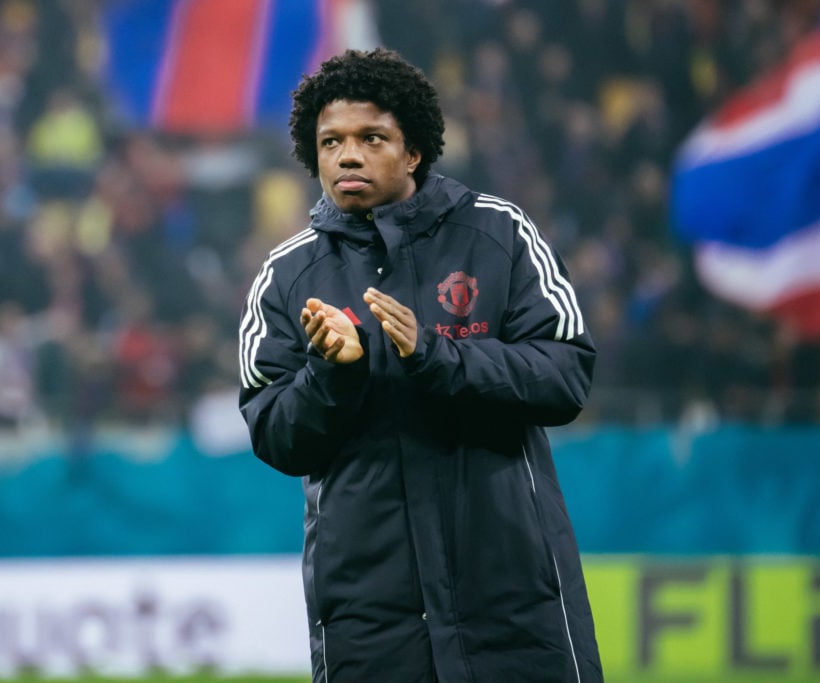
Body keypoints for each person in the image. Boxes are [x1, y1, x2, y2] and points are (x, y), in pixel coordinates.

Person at [238, 47, 602, 682]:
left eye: (371, 137)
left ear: (412, 153)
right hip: (371, 618)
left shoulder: (499, 235)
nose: (347, 155)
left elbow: (565, 375)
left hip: (511, 598)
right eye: (330, 142)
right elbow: (274, 433)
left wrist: (435, 355)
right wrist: (333, 374)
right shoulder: (287, 276)